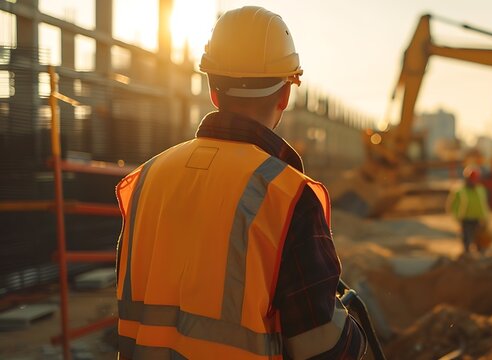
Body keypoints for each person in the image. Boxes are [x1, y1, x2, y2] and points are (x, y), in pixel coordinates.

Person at [114, 7, 365, 359]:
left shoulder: (146, 180)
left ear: (213, 91)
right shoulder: (288, 196)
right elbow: (323, 348)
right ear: (285, 95)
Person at [447, 167, 491, 253]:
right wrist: (456, 216)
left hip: (479, 218)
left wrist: (486, 217)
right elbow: (452, 205)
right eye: (472, 179)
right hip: (466, 218)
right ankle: (467, 254)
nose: (473, 181)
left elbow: (484, 204)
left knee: (480, 239)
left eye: (475, 179)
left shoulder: (480, 189)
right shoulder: (459, 191)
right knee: (467, 238)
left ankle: (480, 254)